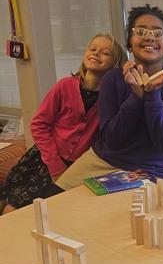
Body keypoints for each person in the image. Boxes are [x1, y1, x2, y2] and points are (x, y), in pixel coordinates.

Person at [56, 4, 163, 189]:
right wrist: (136, 98)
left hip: (150, 169)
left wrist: (152, 95)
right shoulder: (113, 79)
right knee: (53, 201)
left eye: (157, 33)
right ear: (130, 43)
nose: (149, 36)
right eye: (141, 31)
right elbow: (111, 139)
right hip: (102, 160)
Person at [0, 34, 126, 214]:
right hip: (45, 160)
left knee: (56, 212)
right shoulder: (64, 86)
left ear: (115, 64)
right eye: (92, 49)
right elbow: (39, 124)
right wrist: (55, 164)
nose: (96, 54)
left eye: (105, 53)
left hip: (78, 166)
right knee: (14, 209)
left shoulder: (112, 99)